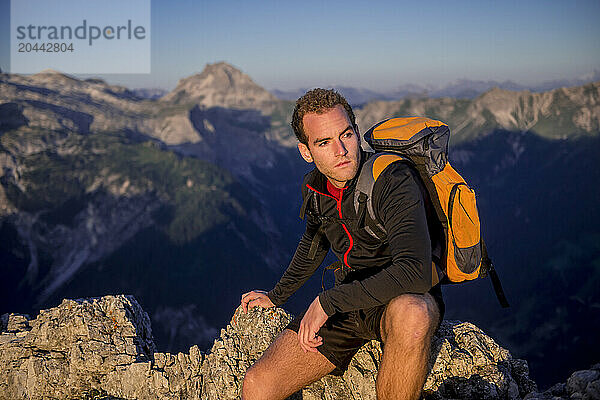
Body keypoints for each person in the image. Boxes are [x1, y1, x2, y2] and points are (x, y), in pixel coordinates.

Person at [240, 88, 445, 400]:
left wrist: (327, 302)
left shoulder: (392, 178)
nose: (341, 150)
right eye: (324, 142)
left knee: (414, 312)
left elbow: (415, 272)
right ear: (306, 151)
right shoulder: (318, 190)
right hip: (350, 305)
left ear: (356, 131)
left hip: (397, 298)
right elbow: (313, 245)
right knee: (257, 387)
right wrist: (275, 296)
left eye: (346, 135)